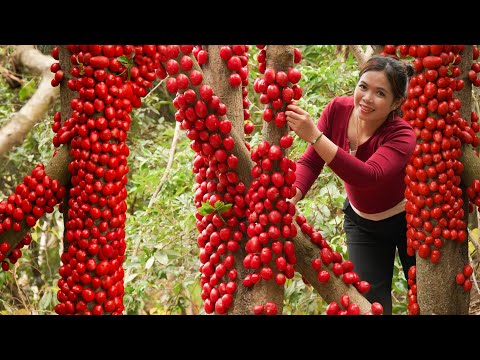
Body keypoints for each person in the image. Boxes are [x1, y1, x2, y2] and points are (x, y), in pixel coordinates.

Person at [285, 55, 416, 315]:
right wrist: (292, 195)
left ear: (396, 102)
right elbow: (311, 163)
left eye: (380, 93)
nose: (367, 98)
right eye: (363, 86)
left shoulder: (402, 134)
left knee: (426, 296)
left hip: (409, 221)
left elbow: (368, 175)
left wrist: (315, 136)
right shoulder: (337, 110)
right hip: (363, 224)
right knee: (370, 305)